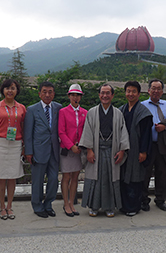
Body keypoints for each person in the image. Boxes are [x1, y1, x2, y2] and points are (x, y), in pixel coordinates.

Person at [79, 84, 129, 217]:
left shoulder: (118, 113)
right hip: (95, 150)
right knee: (95, 179)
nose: (105, 96)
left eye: (108, 93)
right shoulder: (92, 112)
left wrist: (122, 151)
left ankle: (109, 207)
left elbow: (123, 133)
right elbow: (87, 132)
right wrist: (89, 150)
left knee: (110, 179)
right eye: (102, 93)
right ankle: (94, 206)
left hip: (112, 150)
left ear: (112, 95)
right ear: (99, 95)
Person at [0, 79, 26, 220]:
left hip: (16, 144)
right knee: (1, 176)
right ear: (3, 90)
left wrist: (24, 146)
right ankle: (2, 206)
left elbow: (23, 128)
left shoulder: (22, 108)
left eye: (13, 88)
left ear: (17, 91)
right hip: (0, 143)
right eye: (7, 88)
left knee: (13, 176)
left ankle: (10, 206)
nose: (10, 91)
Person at [24, 81, 61, 218]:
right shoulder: (32, 109)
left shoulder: (58, 107)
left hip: (54, 150)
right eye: (44, 91)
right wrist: (29, 151)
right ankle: (37, 206)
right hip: (38, 150)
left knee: (53, 179)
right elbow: (28, 133)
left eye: (50, 91)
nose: (47, 94)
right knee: (37, 181)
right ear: (39, 93)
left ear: (54, 93)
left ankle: (48, 204)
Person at [141, 79, 166, 212]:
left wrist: (164, 126)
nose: (156, 91)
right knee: (145, 174)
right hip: (148, 145)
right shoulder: (142, 105)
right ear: (149, 90)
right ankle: (144, 200)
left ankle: (160, 199)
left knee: (162, 173)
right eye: (153, 88)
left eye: (159, 89)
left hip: (163, 144)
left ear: (162, 91)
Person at [119, 81, 152, 216]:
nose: (130, 94)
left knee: (135, 178)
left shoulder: (144, 112)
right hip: (123, 149)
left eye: (133, 91)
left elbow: (146, 134)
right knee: (123, 177)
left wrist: (143, 151)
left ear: (139, 94)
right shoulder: (121, 109)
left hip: (136, 149)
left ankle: (133, 206)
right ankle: (123, 205)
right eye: (128, 91)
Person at [58, 84, 87, 217]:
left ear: (80, 97)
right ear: (69, 96)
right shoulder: (63, 112)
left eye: (77, 95)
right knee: (66, 176)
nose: (75, 97)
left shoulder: (85, 113)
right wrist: (71, 146)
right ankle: (65, 203)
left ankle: (72, 202)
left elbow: (86, 131)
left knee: (75, 177)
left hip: (79, 149)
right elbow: (61, 132)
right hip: (67, 149)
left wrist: (80, 145)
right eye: (73, 95)